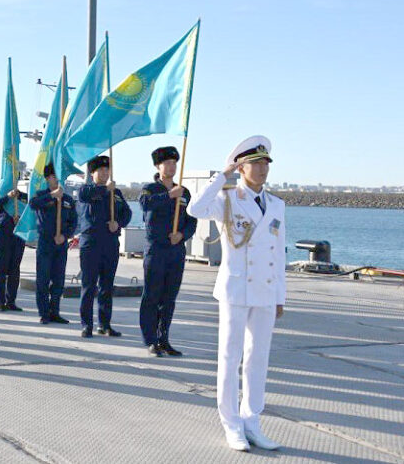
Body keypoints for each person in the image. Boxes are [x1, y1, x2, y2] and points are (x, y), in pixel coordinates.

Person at [187, 136, 285, 452]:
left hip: (266, 291)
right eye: (255, 163)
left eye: (265, 163)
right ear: (241, 167)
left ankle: (252, 421)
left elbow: (279, 254)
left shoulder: (277, 205)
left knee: (259, 358)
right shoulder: (227, 200)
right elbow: (194, 208)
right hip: (236, 288)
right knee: (230, 358)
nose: (262, 169)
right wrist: (221, 177)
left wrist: (280, 295)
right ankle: (231, 424)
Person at [139, 146, 197, 356]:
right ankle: (151, 340)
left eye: (174, 163)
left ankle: (164, 338)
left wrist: (182, 235)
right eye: (167, 163)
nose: (171, 166)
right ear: (158, 166)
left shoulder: (184, 192)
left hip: (176, 250)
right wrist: (168, 196)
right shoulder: (150, 189)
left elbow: (192, 220)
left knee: (169, 297)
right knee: (152, 295)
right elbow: (145, 205)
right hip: (156, 249)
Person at [77, 155, 132, 338]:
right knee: (89, 286)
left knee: (107, 286)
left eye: (107, 170)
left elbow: (127, 213)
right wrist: (103, 190)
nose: (104, 173)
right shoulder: (86, 189)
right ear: (92, 173)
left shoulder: (116, 193)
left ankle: (105, 324)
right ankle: (86, 325)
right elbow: (85, 197)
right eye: (100, 170)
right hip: (91, 243)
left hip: (110, 243)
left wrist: (119, 223)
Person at [29, 163, 78, 324]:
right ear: (48, 178)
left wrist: (65, 235)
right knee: (43, 279)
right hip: (45, 242)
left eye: (59, 177)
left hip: (61, 243)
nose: (57, 180)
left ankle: (54, 311)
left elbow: (74, 221)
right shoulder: (41, 195)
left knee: (58, 280)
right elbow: (33, 205)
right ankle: (44, 313)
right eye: (54, 177)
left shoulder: (68, 200)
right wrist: (52, 196)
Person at [0, 176, 27, 312]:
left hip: (18, 234)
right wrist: (7, 197)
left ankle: (11, 300)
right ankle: (0, 301)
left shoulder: (23, 196)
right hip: (4, 234)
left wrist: (21, 220)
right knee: (1, 267)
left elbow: (29, 213)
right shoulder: (0, 194)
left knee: (14, 268)